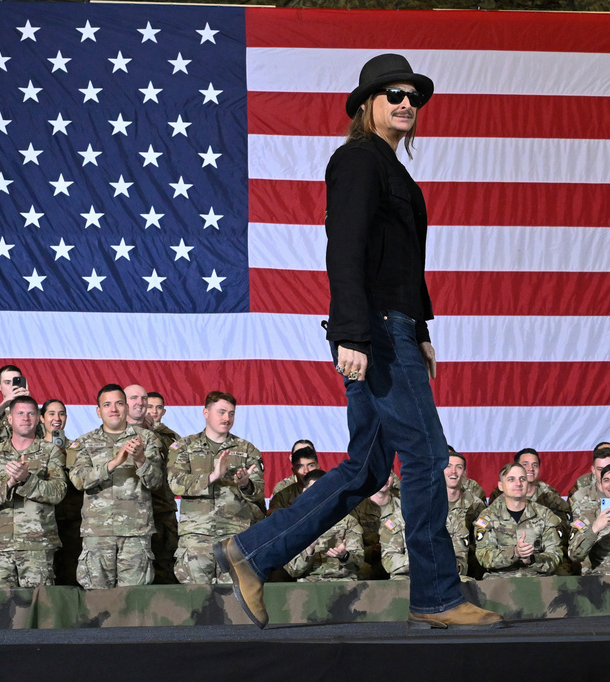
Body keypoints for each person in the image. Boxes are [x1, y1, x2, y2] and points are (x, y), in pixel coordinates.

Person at [213, 54, 501, 629]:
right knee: (424, 457)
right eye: (393, 93)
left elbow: (398, 263)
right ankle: (438, 596)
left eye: (412, 96)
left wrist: (420, 331)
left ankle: (254, 552)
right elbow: (343, 251)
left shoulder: (391, 169)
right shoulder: (357, 161)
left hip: (394, 330)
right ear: (365, 104)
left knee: (367, 468)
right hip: (374, 331)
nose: (406, 103)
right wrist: (351, 334)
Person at [68, 384, 163, 589]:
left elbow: (156, 482)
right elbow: (78, 481)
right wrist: (113, 463)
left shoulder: (146, 439)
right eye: (107, 404)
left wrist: (140, 460)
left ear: (127, 408)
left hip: (135, 534)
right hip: (97, 535)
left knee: (134, 601)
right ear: (98, 411)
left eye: (119, 403)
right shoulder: (83, 442)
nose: (114, 409)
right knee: (97, 601)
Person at [168, 391, 264, 584]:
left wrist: (246, 484)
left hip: (234, 536)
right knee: (196, 600)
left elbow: (259, 492)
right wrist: (212, 477)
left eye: (231, 413)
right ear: (206, 412)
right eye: (221, 412)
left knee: (233, 600)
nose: (227, 418)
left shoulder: (247, 449)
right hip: (196, 537)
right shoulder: (184, 447)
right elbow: (175, 483)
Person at [0, 396, 67, 587]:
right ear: (10, 419)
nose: (26, 418)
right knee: (0, 609)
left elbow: (58, 492)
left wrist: (27, 479)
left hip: (37, 545)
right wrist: (8, 484)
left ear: (38, 418)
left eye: (31, 413)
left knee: (39, 606)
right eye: (20, 413)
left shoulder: (51, 452)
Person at [126, 383, 179, 584]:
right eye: (134, 399)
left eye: (144, 400)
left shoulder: (168, 437)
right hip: (129, 516)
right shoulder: (114, 432)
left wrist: (152, 433)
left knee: (166, 570)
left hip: (161, 509)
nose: (151, 410)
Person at [474, 463, 563, 578]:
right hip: (500, 580)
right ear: (500, 486)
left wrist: (531, 559)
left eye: (522, 479)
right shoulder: (487, 517)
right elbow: (484, 557)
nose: (518, 483)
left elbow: (556, 556)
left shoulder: (545, 515)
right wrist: (514, 553)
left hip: (538, 579)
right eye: (511, 479)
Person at [285, 470, 365, 582]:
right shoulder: (294, 524)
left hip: (343, 582)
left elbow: (358, 565)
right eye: (313, 490)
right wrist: (309, 549)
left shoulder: (348, 522)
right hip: (309, 584)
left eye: (323, 491)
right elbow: (293, 571)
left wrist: (344, 556)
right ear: (304, 492)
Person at [41, 398, 82, 586]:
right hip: (42, 523)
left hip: (73, 522)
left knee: (71, 576)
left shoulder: (78, 448)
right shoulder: (33, 449)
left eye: (61, 413)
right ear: (42, 418)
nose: (57, 418)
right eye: (51, 413)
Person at [444, 452, 486, 579]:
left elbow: (481, 540)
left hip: (465, 566)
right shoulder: (428, 501)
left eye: (459, 467)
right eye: (449, 466)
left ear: (464, 473)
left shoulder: (475, 504)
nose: (453, 471)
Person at [267, 445, 320, 515]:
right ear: (294, 470)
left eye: (311, 465)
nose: (306, 471)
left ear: (318, 467)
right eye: (300, 467)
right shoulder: (282, 497)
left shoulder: (332, 490)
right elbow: (275, 522)